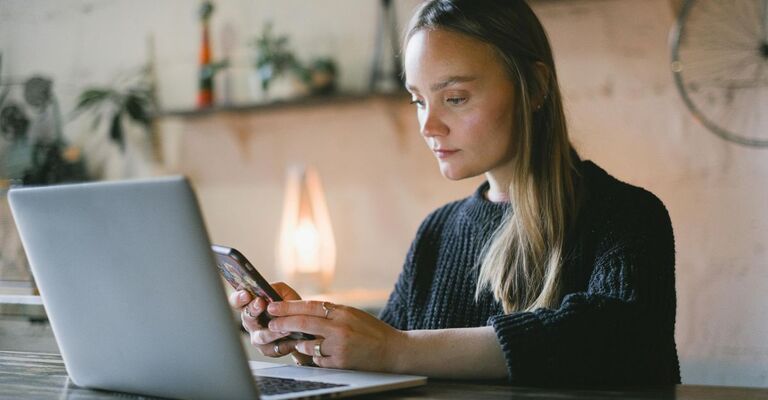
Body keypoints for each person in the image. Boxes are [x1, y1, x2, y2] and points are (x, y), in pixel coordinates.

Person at [229, 0, 680, 386]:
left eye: (456, 98)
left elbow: (614, 337)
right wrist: (313, 339)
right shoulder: (437, 232)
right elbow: (389, 358)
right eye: (418, 100)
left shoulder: (628, 215)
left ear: (536, 86)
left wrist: (397, 350)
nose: (429, 126)